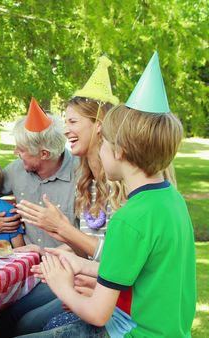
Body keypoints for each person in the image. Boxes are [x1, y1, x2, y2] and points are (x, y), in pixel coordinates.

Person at [29, 52, 196, 337]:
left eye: (104, 142)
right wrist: (79, 263)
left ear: (119, 151)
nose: (102, 149)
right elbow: (141, 272)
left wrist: (62, 285)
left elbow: (98, 314)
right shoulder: (171, 201)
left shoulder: (129, 218)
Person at [0, 98, 79, 337]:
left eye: (21, 150)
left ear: (44, 153)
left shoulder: (81, 175)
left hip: (67, 270)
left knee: (24, 322)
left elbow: (90, 244)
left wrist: (42, 251)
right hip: (26, 271)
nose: (15, 153)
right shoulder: (17, 171)